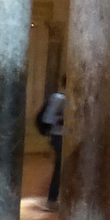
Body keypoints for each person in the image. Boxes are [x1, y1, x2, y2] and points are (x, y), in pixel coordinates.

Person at [40, 78, 66, 211]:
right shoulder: (59, 98)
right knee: (60, 167)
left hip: (67, 136)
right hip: (59, 136)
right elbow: (48, 118)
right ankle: (52, 199)